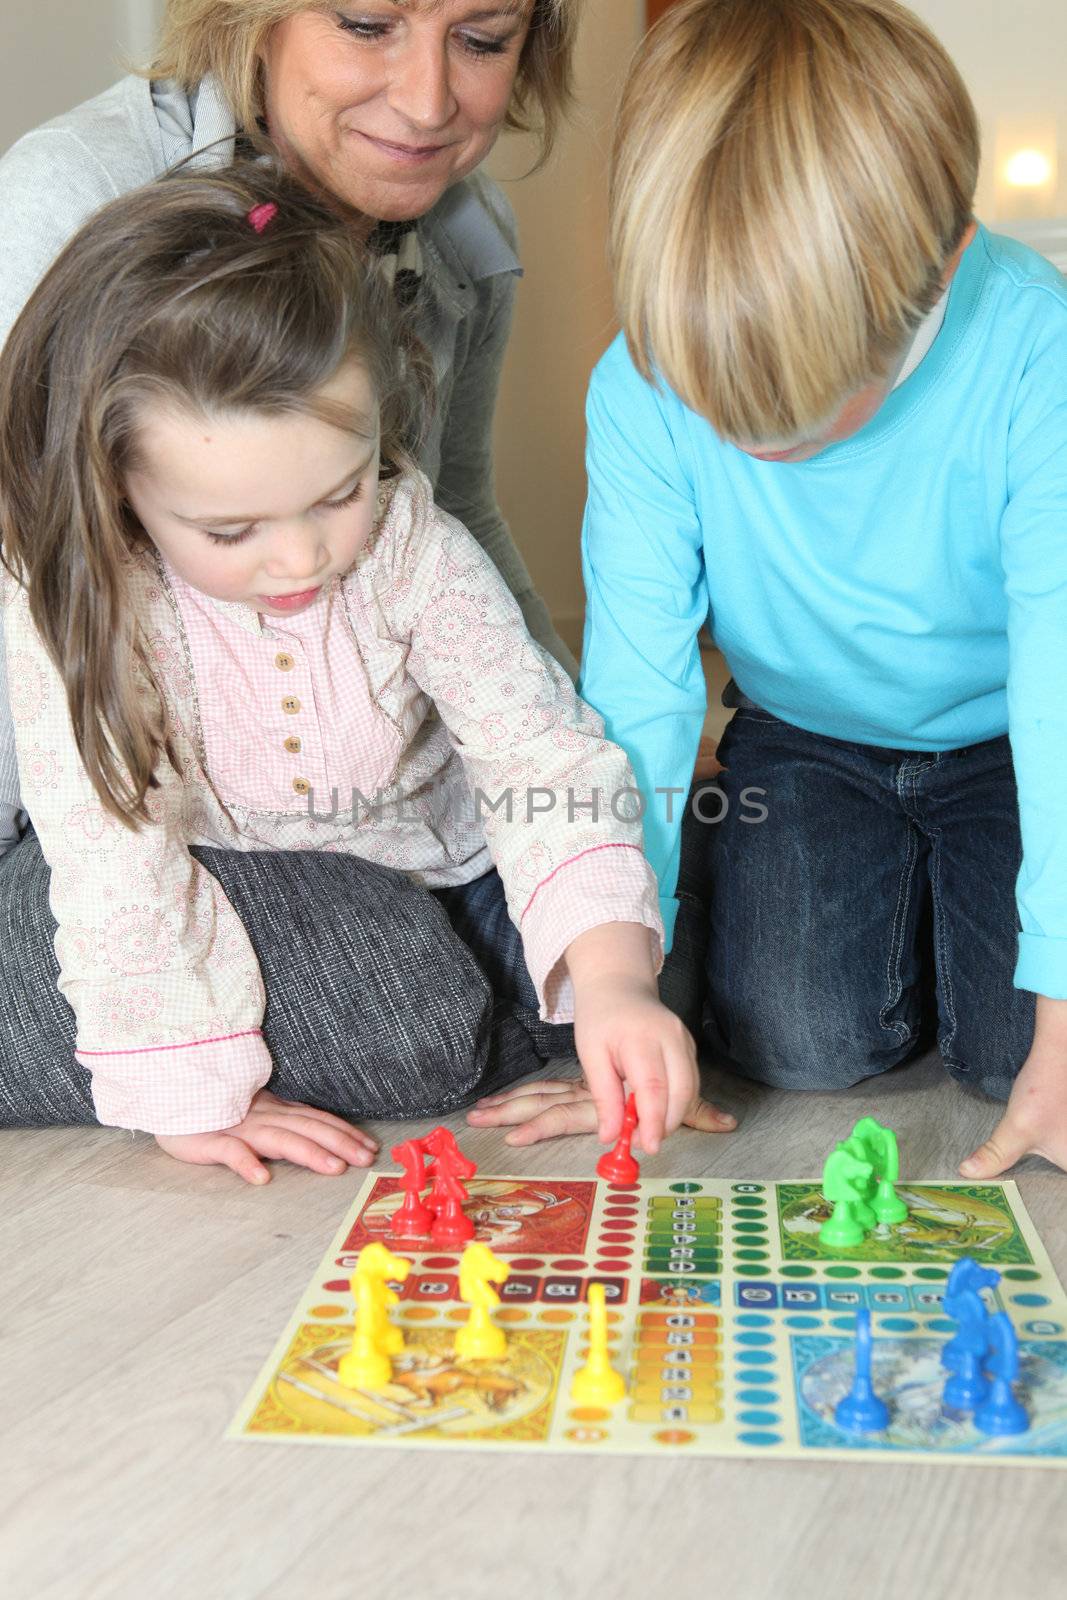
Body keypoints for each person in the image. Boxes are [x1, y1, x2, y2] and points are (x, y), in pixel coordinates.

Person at [0, 164, 728, 1181]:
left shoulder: (407, 539)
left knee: (675, 942)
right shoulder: (87, 588)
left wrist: (611, 984)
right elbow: (110, 847)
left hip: (443, 852)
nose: (299, 560)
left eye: (336, 493)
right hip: (239, 866)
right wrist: (188, 1096)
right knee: (406, 1012)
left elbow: (538, 753)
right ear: (117, 490)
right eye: (230, 529)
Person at [474, 0, 1067, 1176]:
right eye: (717, 406)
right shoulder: (636, 384)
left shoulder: (1034, 350)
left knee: (1017, 1057)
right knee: (793, 1038)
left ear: (940, 261)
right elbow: (636, 698)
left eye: (805, 407)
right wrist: (617, 988)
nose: (758, 452)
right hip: (803, 738)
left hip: (1009, 740)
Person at [0, 0, 583, 863]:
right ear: (246, 15)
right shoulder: (75, 197)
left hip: (377, 792)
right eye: (364, 24)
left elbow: (460, 512)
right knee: (393, 967)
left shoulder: (467, 237)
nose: (428, 103)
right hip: (132, 821)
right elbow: (28, 587)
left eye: (481, 40)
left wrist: (583, 744)